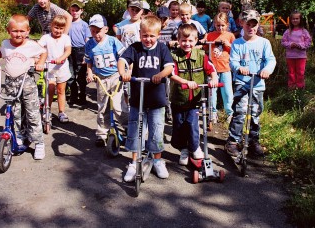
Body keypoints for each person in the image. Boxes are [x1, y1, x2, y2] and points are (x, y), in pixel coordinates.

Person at [118, 15, 174, 182]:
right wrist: (123, 73)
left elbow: (169, 67)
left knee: (157, 130)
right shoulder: (135, 48)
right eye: (144, 35)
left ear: (158, 34)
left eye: (151, 36)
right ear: (140, 33)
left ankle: (157, 160)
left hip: (156, 99)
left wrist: (160, 75)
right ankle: (134, 162)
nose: (148, 39)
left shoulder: (162, 49)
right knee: (136, 130)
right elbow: (122, 60)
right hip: (138, 98)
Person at [0, 14, 47, 160]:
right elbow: (0, 52)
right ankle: (20, 136)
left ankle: (39, 143)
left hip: (27, 83)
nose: (18, 34)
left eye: (21, 31)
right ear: (8, 30)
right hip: (10, 83)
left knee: (32, 113)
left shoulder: (31, 45)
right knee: (15, 112)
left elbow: (43, 52)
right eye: (15, 31)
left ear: (27, 31)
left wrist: (40, 63)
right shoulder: (6, 44)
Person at [225, 10, 276, 158]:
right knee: (240, 113)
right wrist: (239, 68)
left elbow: (270, 60)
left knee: (255, 114)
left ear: (258, 25)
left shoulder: (264, 43)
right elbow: (233, 61)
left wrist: (267, 70)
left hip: (258, 84)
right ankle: (233, 141)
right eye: (248, 24)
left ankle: (254, 141)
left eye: (254, 25)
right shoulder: (237, 43)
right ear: (242, 24)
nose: (251, 28)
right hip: (242, 83)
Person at [170, 24, 218, 165]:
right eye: (183, 41)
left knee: (192, 123)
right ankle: (183, 149)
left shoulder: (201, 55)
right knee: (179, 125)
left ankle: (195, 146)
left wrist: (214, 79)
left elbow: (212, 69)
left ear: (196, 40)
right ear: (178, 40)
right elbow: (171, 74)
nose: (187, 44)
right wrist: (184, 81)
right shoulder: (174, 56)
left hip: (195, 99)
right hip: (179, 98)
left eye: (190, 41)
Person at [85, 14, 128, 145]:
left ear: (105, 29)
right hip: (101, 78)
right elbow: (89, 62)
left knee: (117, 105)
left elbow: (124, 57)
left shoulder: (112, 41)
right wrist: (89, 73)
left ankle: (127, 127)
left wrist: (126, 71)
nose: (95, 34)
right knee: (102, 106)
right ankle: (102, 133)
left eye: (98, 31)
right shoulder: (90, 44)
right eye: (92, 31)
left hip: (115, 76)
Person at [38, 15, 72, 123]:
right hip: (49, 68)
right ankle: (47, 110)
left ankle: (61, 112)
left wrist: (61, 58)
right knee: (50, 89)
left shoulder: (65, 38)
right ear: (51, 26)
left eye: (61, 28)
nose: (58, 31)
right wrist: (37, 60)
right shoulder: (46, 38)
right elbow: (38, 48)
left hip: (62, 68)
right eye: (56, 28)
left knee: (61, 90)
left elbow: (68, 51)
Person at [205, 12, 235, 122]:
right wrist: (204, 41)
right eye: (218, 25)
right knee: (212, 91)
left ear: (227, 24)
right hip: (212, 69)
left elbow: (235, 51)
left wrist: (228, 44)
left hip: (225, 68)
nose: (220, 27)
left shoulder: (230, 36)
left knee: (227, 92)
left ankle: (230, 113)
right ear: (214, 25)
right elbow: (204, 47)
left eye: (222, 25)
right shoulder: (210, 35)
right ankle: (213, 112)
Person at [281, 10, 312, 89]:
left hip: (301, 56)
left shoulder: (304, 31)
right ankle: (291, 87)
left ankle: (300, 87)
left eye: (297, 18)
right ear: (290, 20)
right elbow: (283, 42)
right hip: (290, 56)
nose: (295, 20)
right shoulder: (288, 32)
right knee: (291, 72)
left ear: (300, 19)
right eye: (293, 19)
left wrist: (300, 46)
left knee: (300, 72)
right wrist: (290, 45)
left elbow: (308, 42)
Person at [67, 0, 89, 106]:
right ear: (70, 11)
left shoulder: (84, 25)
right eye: (72, 10)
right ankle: (73, 95)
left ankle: (82, 96)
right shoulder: (67, 23)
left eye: (77, 10)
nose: (74, 12)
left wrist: (87, 54)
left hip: (81, 50)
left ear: (81, 11)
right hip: (69, 50)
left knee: (81, 76)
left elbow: (87, 40)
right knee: (70, 75)